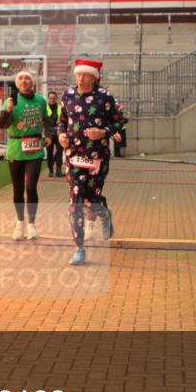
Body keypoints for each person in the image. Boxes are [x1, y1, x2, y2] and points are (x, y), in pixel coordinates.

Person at [57, 58, 127, 266]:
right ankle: (79, 248)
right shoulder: (68, 96)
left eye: (85, 75)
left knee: (91, 198)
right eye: (78, 74)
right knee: (76, 200)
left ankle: (104, 213)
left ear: (94, 78)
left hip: (97, 156)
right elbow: (62, 122)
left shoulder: (104, 97)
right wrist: (61, 135)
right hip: (74, 155)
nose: (80, 78)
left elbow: (118, 122)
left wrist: (103, 132)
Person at [0, 69, 49, 240]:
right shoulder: (10, 101)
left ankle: (32, 225)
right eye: (21, 79)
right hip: (16, 148)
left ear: (32, 82)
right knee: (18, 189)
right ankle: (20, 224)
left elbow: (48, 120)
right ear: (17, 83)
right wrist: (7, 111)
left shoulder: (40, 100)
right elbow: (1, 125)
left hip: (34, 149)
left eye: (27, 78)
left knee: (31, 187)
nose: (24, 81)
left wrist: (48, 135)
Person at [43, 90, 62, 178]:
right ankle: (50, 171)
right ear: (48, 99)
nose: (52, 99)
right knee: (49, 153)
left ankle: (58, 170)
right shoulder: (44, 109)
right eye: (50, 98)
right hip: (48, 133)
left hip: (58, 132)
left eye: (54, 98)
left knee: (59, 152)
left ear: (56, 99)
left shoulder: (60, 108)